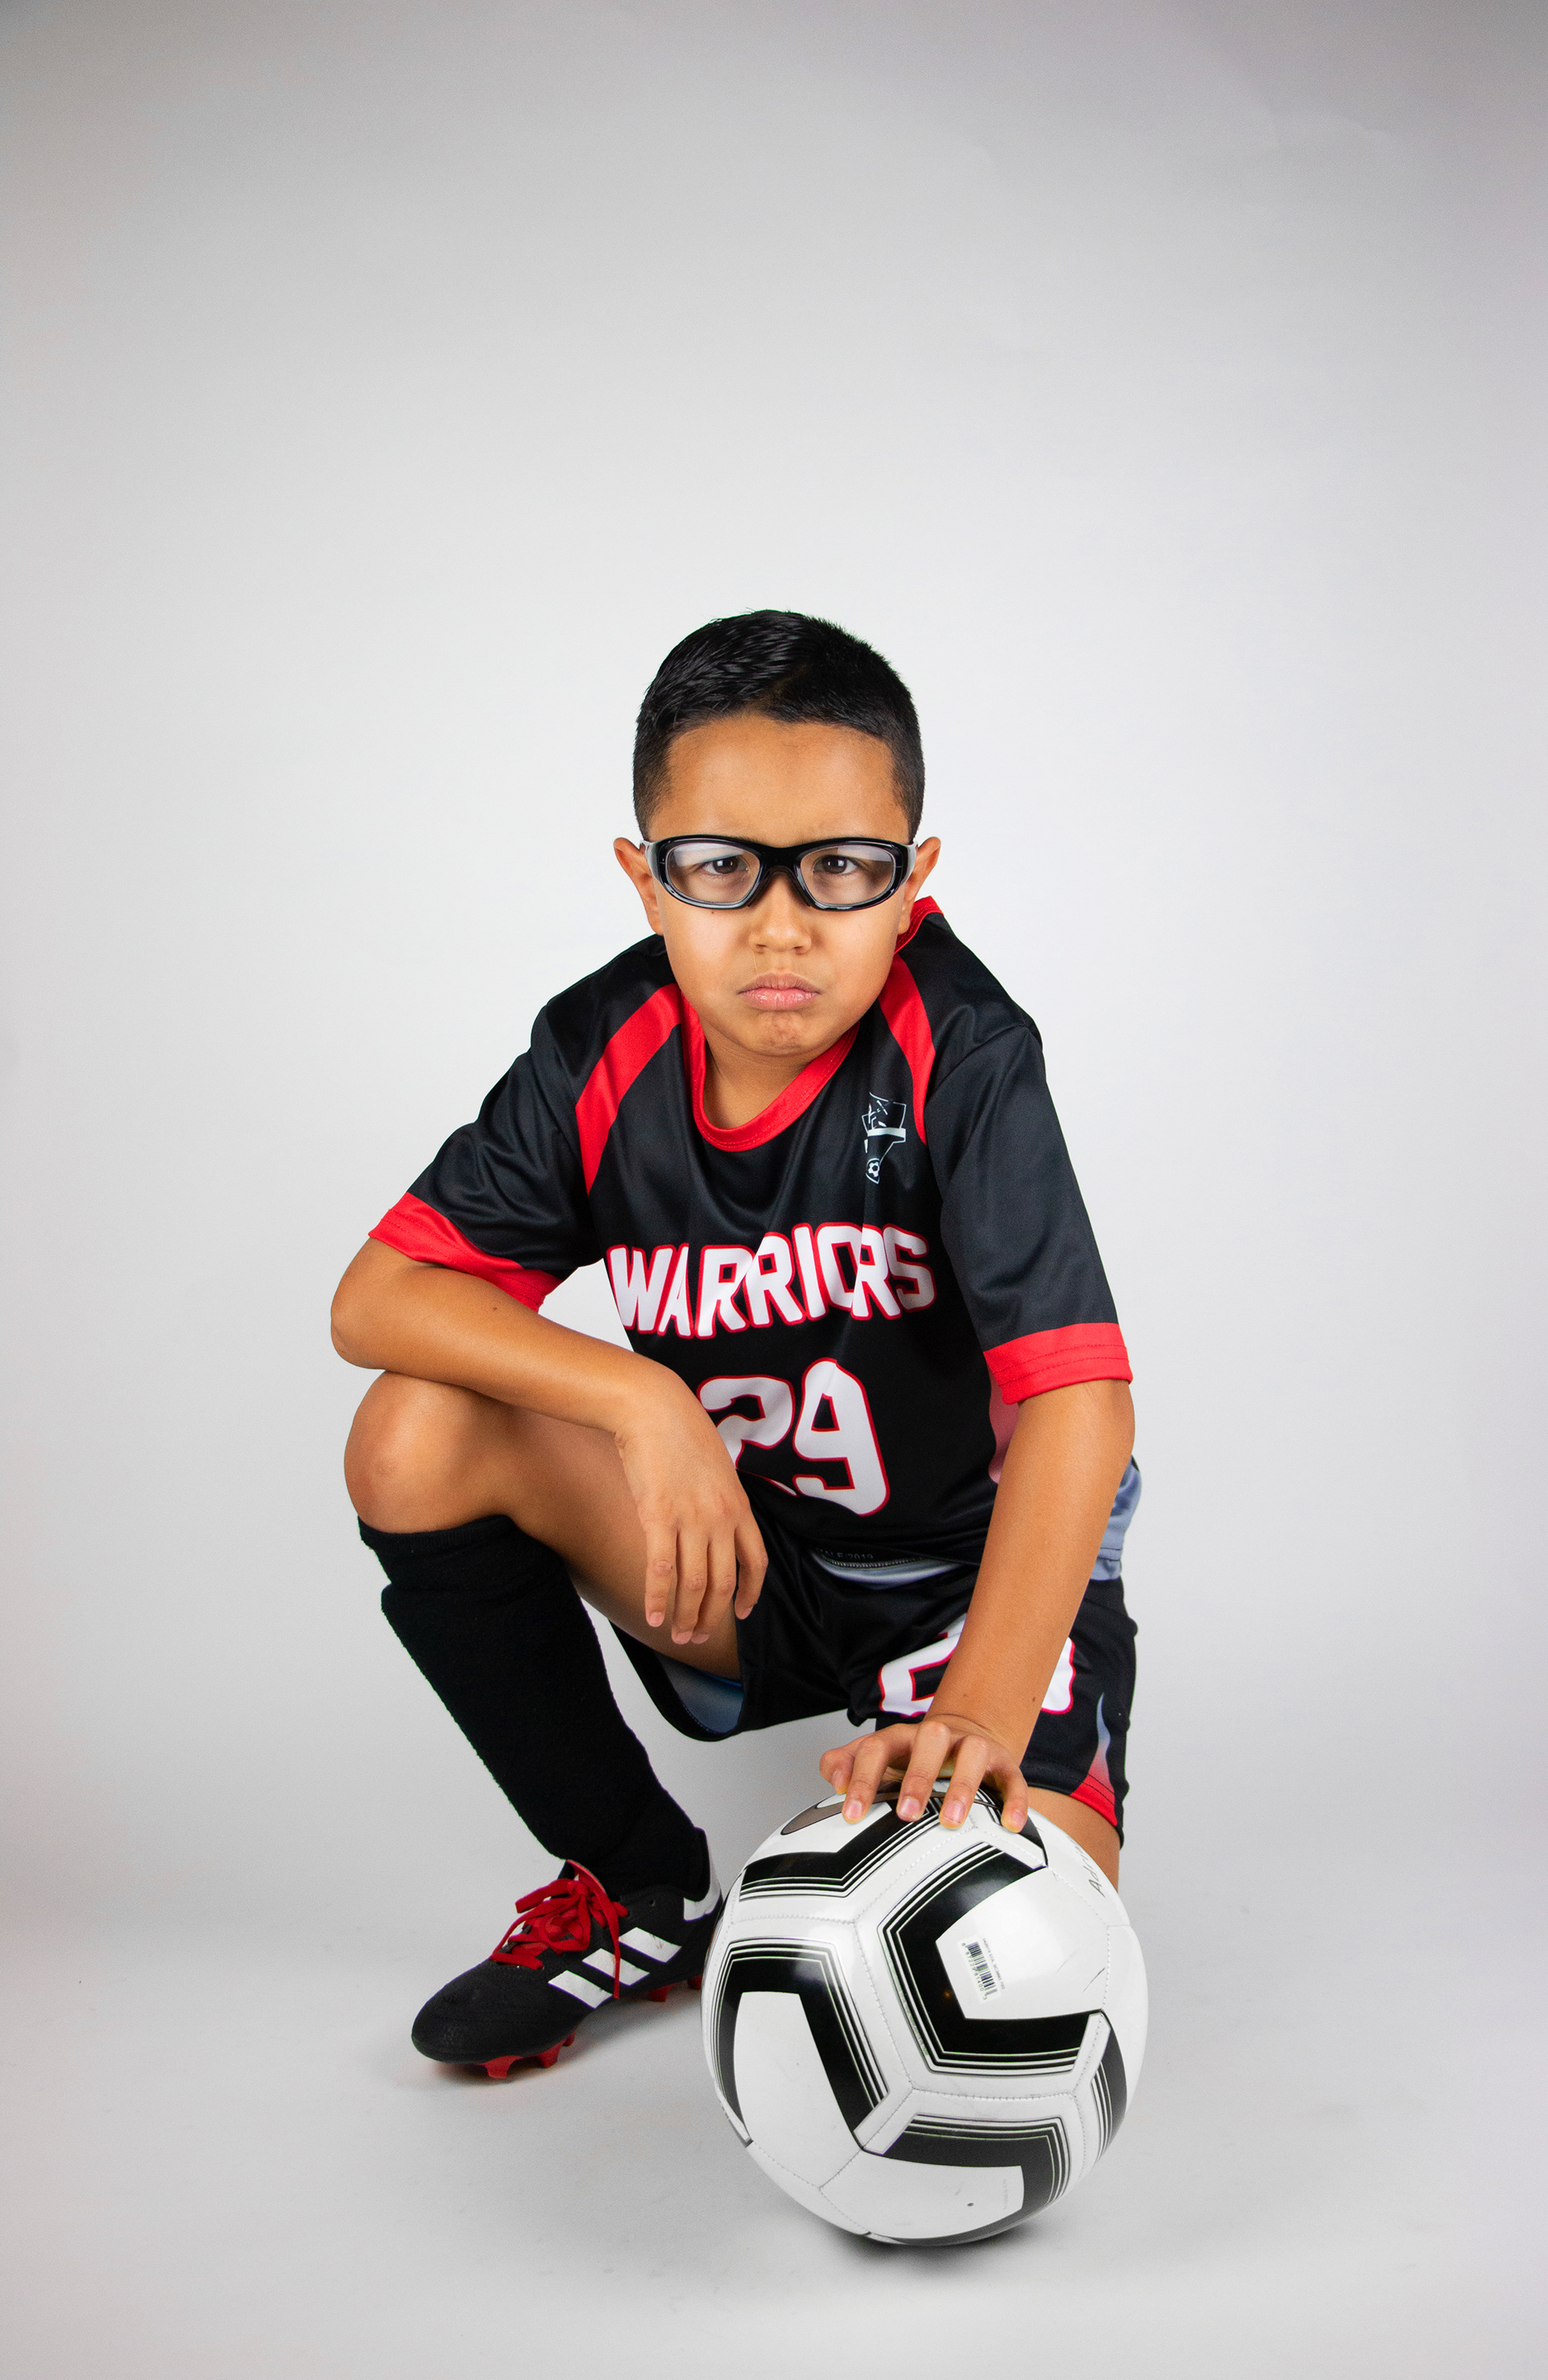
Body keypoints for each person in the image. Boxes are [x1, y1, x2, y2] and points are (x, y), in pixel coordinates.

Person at [331, 611, 1140, 2080]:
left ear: (916, 880)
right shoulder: (601, 1049)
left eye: (840, 870)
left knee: (1019, 1947)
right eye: (721, 869)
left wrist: (975, 1709)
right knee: (416, 1429)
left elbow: (1083, 1404)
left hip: (965, 1577)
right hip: (746, 1554)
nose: (780, 926)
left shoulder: (962, 1046)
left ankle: (966, 1750)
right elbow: (376, 1301)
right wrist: (643, 1402)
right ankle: (640, 1884)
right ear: (645, 877)